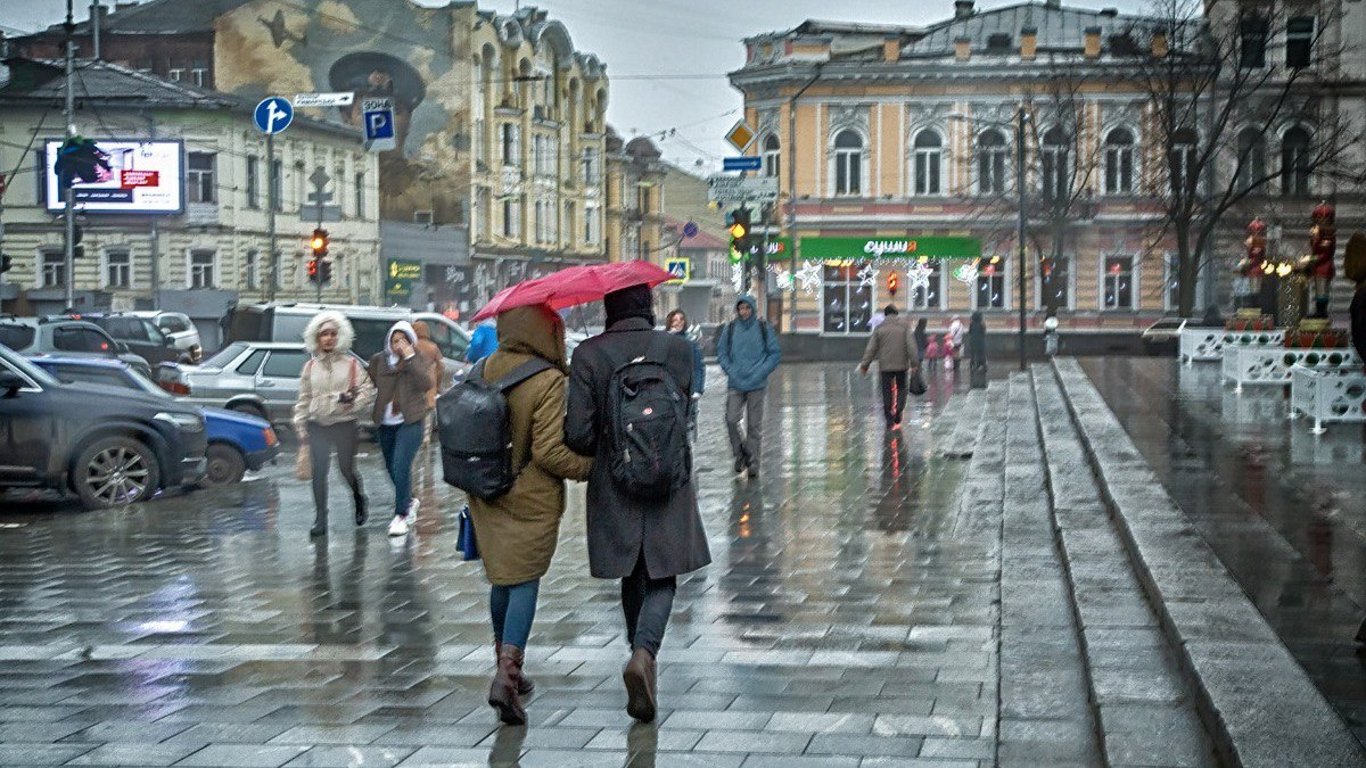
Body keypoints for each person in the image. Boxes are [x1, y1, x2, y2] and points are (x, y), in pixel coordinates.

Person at [565, 284, 712, 723]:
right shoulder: (678, 350)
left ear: (609, 309)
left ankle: (638, 654)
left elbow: (577, 433)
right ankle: (644, 655)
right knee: (663, 572)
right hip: (669, 478)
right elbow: (685, 408)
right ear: (648, 309)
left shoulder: (589, 354)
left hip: (616, 482)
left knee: (631, 571)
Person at [470, 305, 593, 725]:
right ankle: (507, 675)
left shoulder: (483, 366)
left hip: (486, 491)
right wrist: (594, 467)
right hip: (530, 497)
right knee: (524, 579)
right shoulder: (547, 380)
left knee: (501, 577)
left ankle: (504, 664)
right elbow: (549, 452)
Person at [294, 312, 375, 538]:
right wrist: (300, 424)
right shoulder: (310, 367)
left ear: (340, 336)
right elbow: (304, 398)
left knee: (346, 469)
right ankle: (320, 517)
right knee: (319, 472)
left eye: (332, 334)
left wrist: (352, 405)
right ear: (316, 338)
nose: (328, 338)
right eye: (324, 334)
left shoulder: (351, 365)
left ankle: (359, 499)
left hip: (344, 425)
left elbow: (367, 391)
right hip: (317, 424)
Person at [368, 321, 435, 538]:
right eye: (395, 340)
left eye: (404, 340)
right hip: (385, 423)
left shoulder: (417, 359)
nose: (399, 344)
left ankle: (401, 516)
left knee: (401, 465)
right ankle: (410, 499)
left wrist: (409, 356)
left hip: (410, 421)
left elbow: (426, 383)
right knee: (390, 467)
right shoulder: (380, 361)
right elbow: (369, 383)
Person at [716, 295, 781, 478]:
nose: (744, 311)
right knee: (731, 419)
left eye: (747, 308)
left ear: (752, 309)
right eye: (741, 308)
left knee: (754, 426)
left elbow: (774, 353)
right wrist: (730, 370)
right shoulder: (730, 329)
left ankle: (753, 462)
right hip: (736, 383)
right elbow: (721, 352)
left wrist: (761, 371)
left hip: (757, 384)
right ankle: (741, 453)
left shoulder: (762, 328)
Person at [859, 305, 920, 429]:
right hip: (902, 365)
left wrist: (865, 365)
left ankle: (889, 418)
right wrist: (914, 364)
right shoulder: (904, 327)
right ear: (896, 314)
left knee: (886, 391)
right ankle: (899, 410)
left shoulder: (879, 328)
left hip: (885, 366)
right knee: (902, 388)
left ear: (885, 315)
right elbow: (911, 346)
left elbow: (871, 348)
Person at [665, 309, 705, 436]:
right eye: (675, 320)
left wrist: (697, 390)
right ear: (670, 322)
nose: (678, 323)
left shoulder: (691, 341)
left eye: (681, 319)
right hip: (667, 390)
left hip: (686, 391)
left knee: (686, 428)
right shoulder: (663, 340)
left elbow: (699, 367)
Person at [411, 320, 446, 446]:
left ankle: (414, 437)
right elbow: (441, 367)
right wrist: (438, 383)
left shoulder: (411, 346)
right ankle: (426, 438)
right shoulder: (433, 347)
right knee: (428, 414)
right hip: (429, 385)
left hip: (413, 385)